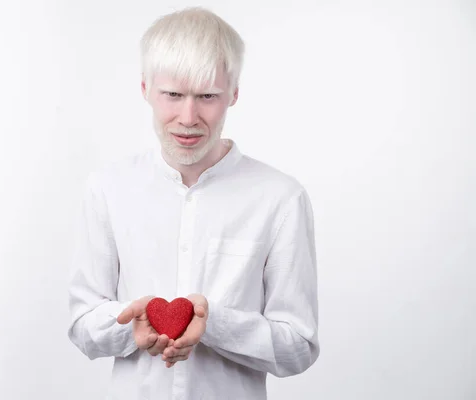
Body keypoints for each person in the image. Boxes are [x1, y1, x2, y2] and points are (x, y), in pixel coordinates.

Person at [68, 7, 319, 400]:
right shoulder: (107, 188)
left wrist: (214, 322)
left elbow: (298, 347)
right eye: (172, 94)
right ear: (145, 89)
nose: (188, 117)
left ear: (233, 93)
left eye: (207, 96)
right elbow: (82, 324)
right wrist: (131, 327)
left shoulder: (281, 198)